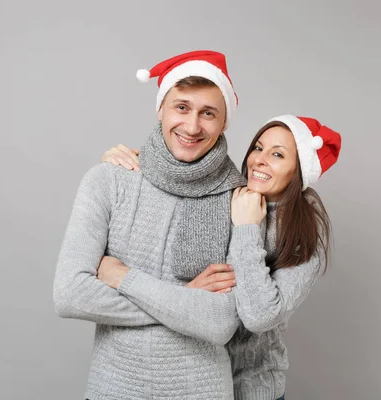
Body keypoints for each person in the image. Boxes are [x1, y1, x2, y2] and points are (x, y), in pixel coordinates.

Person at [100, 114, 342, 399]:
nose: (260, 160)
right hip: (198, 382)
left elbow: (259, 316)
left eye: (277, 154)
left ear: (299, 171)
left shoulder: (304, 231)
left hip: (255, 390)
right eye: (258, 147)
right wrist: (129, 166)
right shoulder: (225, 194)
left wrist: (247, 227)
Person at [53, 50, 247, 400]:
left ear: (223, 123)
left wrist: (124, 278)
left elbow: (220, 323)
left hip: (201, 391)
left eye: (208, 113)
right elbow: (70, 295)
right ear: (161, 109)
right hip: (114, 388)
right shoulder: (109, 180)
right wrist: (186, 300)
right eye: (182, 107)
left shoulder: (240, 200)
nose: (192, 126)